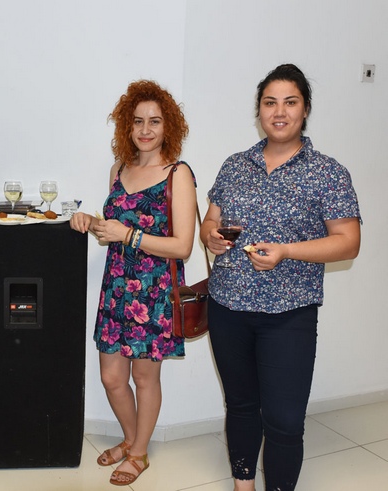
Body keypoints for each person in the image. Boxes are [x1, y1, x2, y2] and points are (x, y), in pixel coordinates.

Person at [200, 64, 361, 491]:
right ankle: (243, 484)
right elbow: (211, 221)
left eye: (290, 102)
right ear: (259, 110)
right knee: (241, 405)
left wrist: (287, 251)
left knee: (285, 419)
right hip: (228, 306)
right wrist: (211, 237)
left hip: (289, 313)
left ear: (305, 110)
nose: (279, 111)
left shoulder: (328, 172)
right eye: (270, 102)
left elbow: (348, 242)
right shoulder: (235, 165)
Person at [70, 80, 197, 486]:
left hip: (154, 292)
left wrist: (128, 235)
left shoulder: (178, 173)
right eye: (138, 121)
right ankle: (130, 439)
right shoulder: (118, 170)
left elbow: (182, 246)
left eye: (154, 121)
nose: (145, 129)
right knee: (111, 377)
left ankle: (139, 453)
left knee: (144, 378)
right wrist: (92, 223)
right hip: (116, 288)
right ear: (127, 125)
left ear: (168, 126)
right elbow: (114, 228)